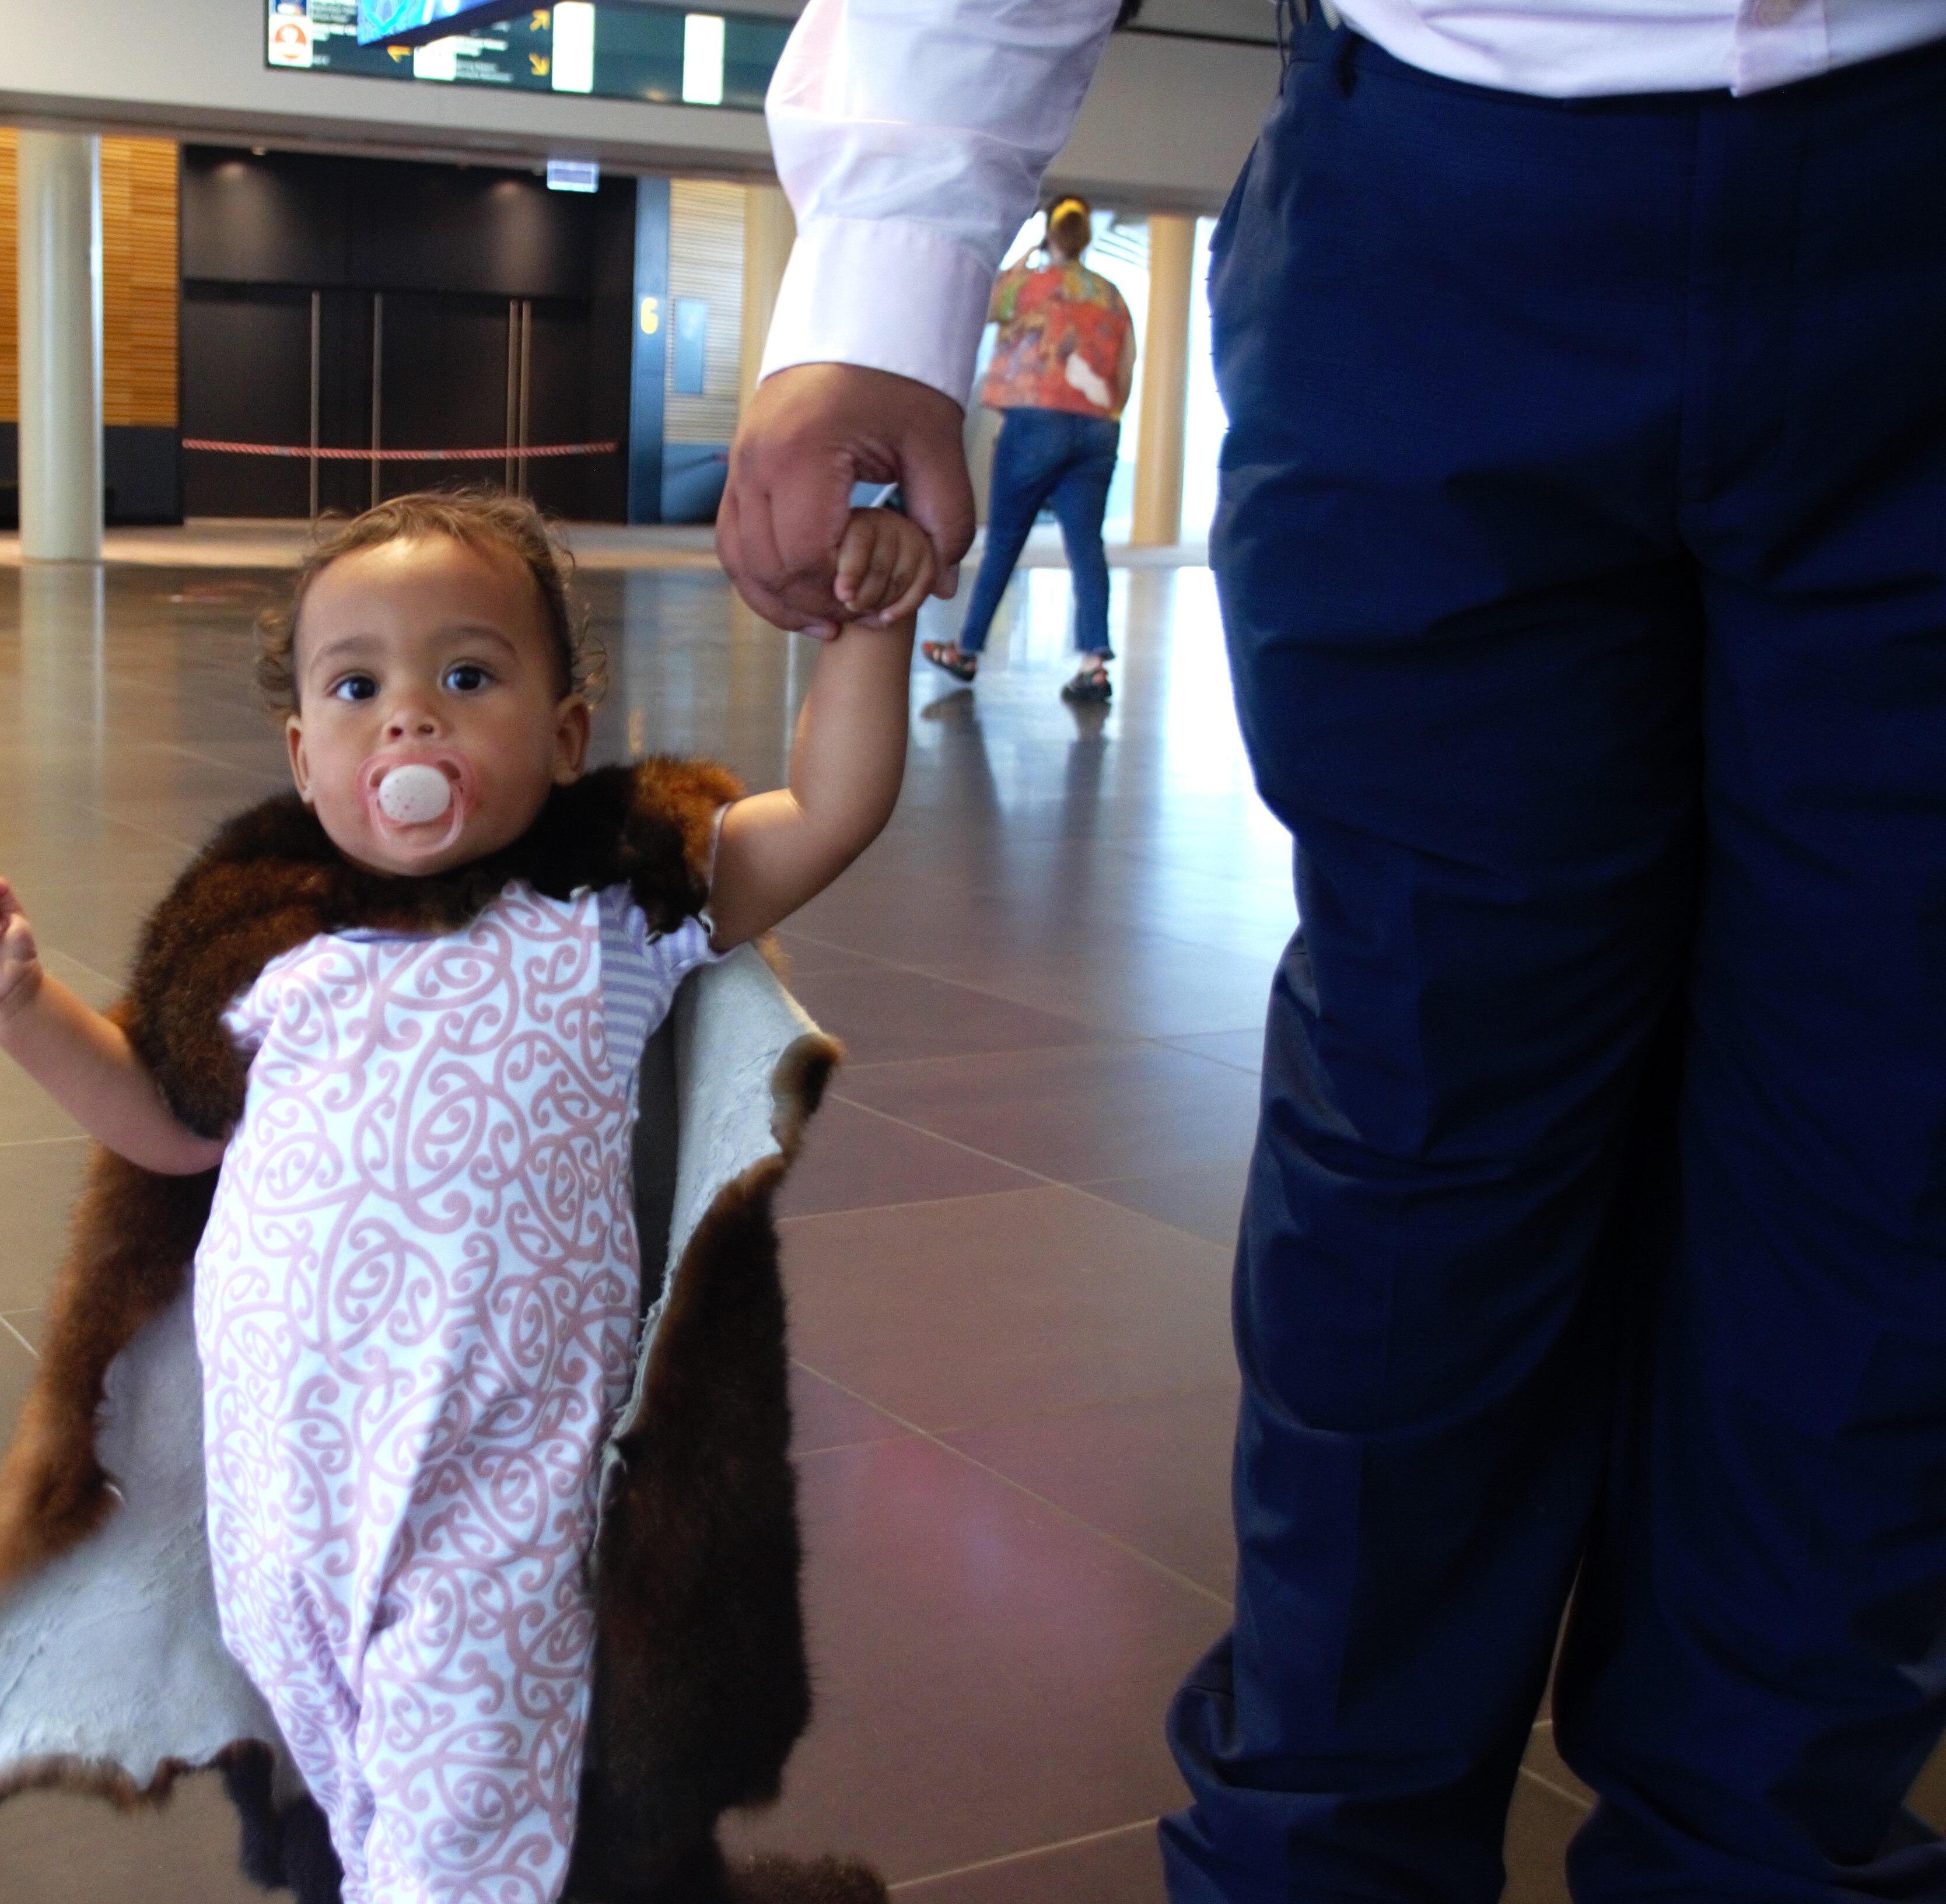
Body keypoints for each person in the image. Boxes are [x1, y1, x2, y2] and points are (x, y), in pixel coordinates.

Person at [718, 1, 1946, 1899]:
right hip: (1447, 188)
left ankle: (1768, 1856)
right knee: (1421, 1118)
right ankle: (1322, 1860)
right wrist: (887, 272)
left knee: (1892, 1144)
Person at [0, 489, 929, 1904]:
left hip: (494, 1499)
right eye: (357, 687)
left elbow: (827, 813)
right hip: (285, 1495)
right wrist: (19, 1004)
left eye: (466, 674)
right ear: (302, 754)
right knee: (354, 1794)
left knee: (457, 1834)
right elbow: (165, 1128)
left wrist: (871, 629)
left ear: (564, 735)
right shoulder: (275, 955)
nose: (409, 718)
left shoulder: (608, 916)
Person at [919, 194, 1133, 702]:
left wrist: (1028, 256)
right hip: (1098, 427)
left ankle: (967, 650)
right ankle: (1095, 664)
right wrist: (1105, 412)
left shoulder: (1028, 286)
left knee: (1005, 541)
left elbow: (983, 306)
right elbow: (1125, 366)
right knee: (1087, 546)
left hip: (1035, 421)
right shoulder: (1111, 295)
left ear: (1049, 233)